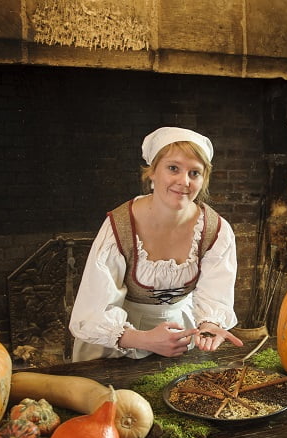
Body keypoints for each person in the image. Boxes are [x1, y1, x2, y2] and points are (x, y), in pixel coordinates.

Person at [69, 126, 244, 361]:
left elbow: (215, 294)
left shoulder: (215, 230)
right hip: (119, 343)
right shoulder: (120, 226)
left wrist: (209, 325)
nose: (184, 181)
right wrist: (143, 339)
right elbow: (92, 311)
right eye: (173, 168)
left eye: (195, 173)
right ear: (152, 172)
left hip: (182, 337)